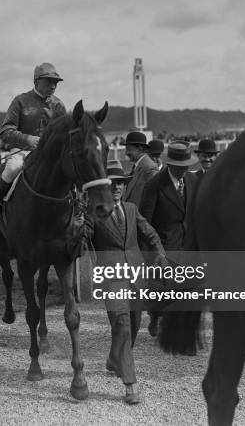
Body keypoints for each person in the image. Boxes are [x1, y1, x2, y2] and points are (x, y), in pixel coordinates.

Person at [90, 162, 166, 404]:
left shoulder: (132, 209)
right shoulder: (94, 213)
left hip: (136, 278)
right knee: (122, 324)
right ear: (104, 187)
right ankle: (130, 384)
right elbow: (81, 242)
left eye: (121, 183)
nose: (117, 187)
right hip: (111, 280)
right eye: (112, 183)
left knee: (133, 325)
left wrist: (160, 254)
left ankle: (115, 358)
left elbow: (150, 233)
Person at [0, 62, 67, 228]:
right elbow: (5, 132)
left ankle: (79, 209)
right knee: (13, 167)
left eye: (55, 83)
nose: (53, 86)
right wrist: (28, 139)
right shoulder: (20, 101)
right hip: (23, 151)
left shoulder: (59, 106)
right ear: (36, 81)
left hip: (50, 156)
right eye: (49, 81)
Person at [140, 142, 199, 339]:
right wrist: (152, 251)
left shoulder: (192, 181)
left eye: (187, 166)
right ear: (170, 164)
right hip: (163, 244)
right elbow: (145, 222)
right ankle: (155, 316)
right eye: (180, 167)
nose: (184, 170)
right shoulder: (154, 185)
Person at [123, 131, 158, 207]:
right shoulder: (138, 166)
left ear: (139, 149)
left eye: (129, 149)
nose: (126, 153)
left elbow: (152, 199)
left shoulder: (149, 168)